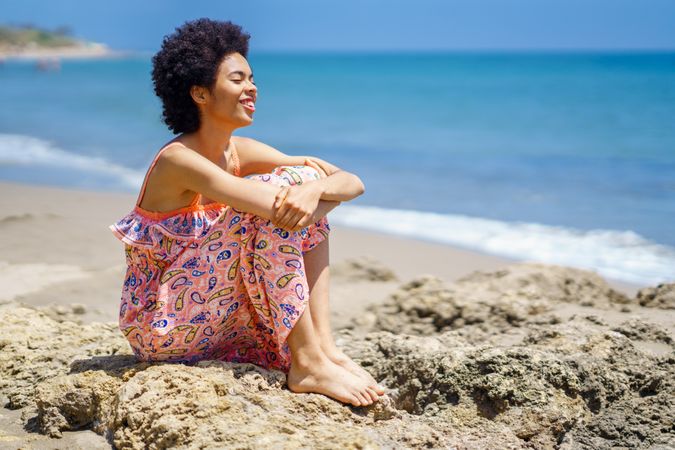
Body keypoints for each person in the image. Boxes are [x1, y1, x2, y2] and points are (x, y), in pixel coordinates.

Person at [109, 18, 385, 407]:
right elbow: (273, 207)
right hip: (162, 325)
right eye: (237, 80)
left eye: (252, 78)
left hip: (214, 314)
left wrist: (316, 189)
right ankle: (306, 363)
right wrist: (309, 194)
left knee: (300, 180)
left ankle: (323, 348)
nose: (252, 87)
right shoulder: (179, 160)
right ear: (200, 94)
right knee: (279, 197)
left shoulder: (240, 151)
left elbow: (349, 180)